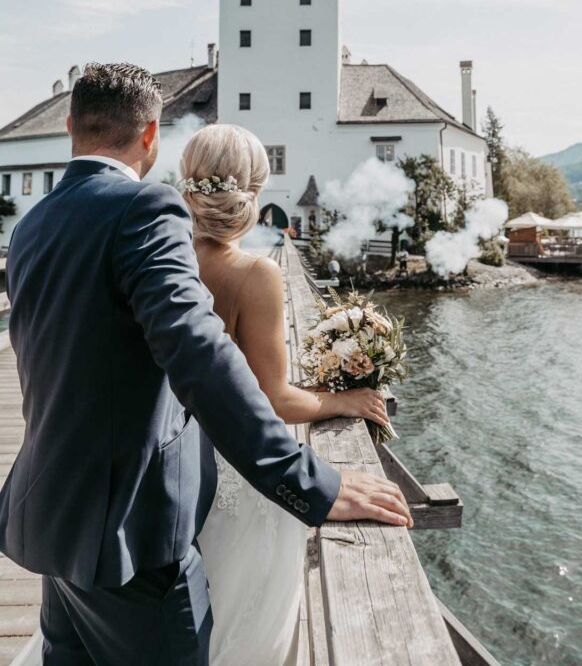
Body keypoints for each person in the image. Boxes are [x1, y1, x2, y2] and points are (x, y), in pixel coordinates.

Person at [0, 63, 412, 666]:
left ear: (69, 126)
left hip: (52, 517)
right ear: (150, 135)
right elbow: (203, 355)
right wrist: (311, 485)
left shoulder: (33, 224)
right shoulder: (145, 210)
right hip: (131, 538)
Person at [180, 124, 389, 666]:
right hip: (242, 472)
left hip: (177, 468)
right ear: (253, 189)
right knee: (245, 627)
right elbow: (271, 400)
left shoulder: (167, 262)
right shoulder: (256, 274)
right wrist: (342, 401)